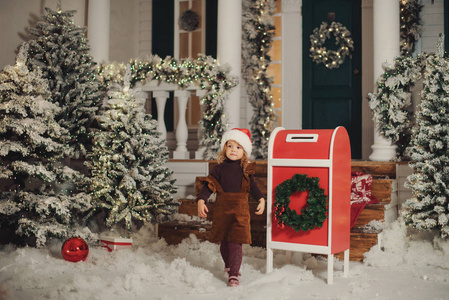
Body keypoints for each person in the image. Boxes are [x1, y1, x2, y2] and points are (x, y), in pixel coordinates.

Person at [197, 128, 265, 287]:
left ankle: (234, 273)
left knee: (236, 242)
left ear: (244, 151)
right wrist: (201, 200)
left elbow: (253, 187)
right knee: (224, 242)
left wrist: (261, 199)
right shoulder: (218, 169)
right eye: (230, 146)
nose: (234, 150)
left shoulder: (246, 170)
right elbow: (209, 186)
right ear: (224, 148)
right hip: (222, 211)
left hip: (240, 212)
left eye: (238, 147)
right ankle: (229, 264)